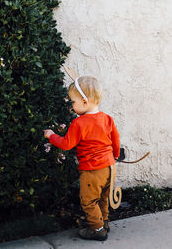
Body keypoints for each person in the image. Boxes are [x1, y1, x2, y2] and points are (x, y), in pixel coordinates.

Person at [44, 76, 120, 241]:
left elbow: (66, 144)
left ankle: (97, 229)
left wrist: (51, 136)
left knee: (89, 200)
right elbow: (116, 141)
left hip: (92, 170)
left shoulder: (79, 123)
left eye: (73, 102)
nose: (71, 106)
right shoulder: (107, 118)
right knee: (103, 197)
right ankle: (104, 222)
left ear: (85, 102)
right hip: (109, 167)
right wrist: (116, 156)